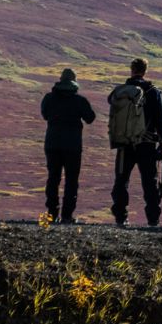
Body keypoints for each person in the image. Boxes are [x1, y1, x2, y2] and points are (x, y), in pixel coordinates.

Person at [108, 58, 162, 226]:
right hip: (146, 144)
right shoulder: (153, 92)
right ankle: (153, 220)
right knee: (150, 183)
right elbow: (160, 119)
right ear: (145, 71)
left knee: (121, 181)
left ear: (131, 70)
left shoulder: (120, 92)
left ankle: (121, 217)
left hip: (124, 144)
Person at [40, 67, 96, 224]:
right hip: (72, 145)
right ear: (74, 82)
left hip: (52, 143)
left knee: (53, 178)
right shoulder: (79, 100)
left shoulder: (49, 98)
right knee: (71, 180)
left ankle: (52, 214)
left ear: (60, 80)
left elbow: (45, 115)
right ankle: (67, 215)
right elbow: (90, 118)